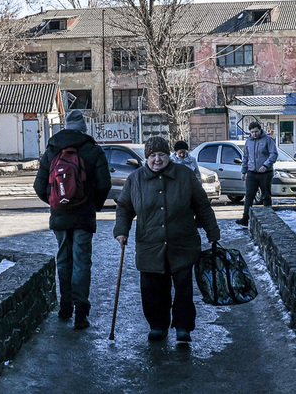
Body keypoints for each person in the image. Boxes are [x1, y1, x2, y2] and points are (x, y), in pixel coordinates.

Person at [114, 136, 220, 343]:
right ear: (146, 158)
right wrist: (121, 230)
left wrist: (212, 231)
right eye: (152, 155)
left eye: (161, 154)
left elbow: (202, 205)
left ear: (168, 155)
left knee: (183, 288)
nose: (157, 159)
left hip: (182, 242)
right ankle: (157, 325)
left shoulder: (185, 175)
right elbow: (124, 207)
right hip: (150, 244)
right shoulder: (135, 179)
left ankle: (183, 327)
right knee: (153, 289)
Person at [33, 109, 111, 330]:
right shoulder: (93, 150)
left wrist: (56, 203)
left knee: (63, 260)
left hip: (60, 217)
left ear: (66, 126)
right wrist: (92, 205)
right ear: (84, 128)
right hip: (84, 216)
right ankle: (80, 314)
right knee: (81, 262)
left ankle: (65, 307)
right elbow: (104, 184)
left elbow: (39, 186)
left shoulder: (51, 149)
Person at [236, 120, 279, 226]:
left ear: (260, 130)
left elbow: (273, 154)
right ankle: (245, 218)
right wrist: (244, 171)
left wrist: (266, 165)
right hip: (252, 172)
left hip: (265, 173)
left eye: (256, 132)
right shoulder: (248, 142)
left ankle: (269, 219)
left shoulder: (267, 140)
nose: (254, 134)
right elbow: (245, 157)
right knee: (249, 196)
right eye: (252, 132)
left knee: (266, 196)